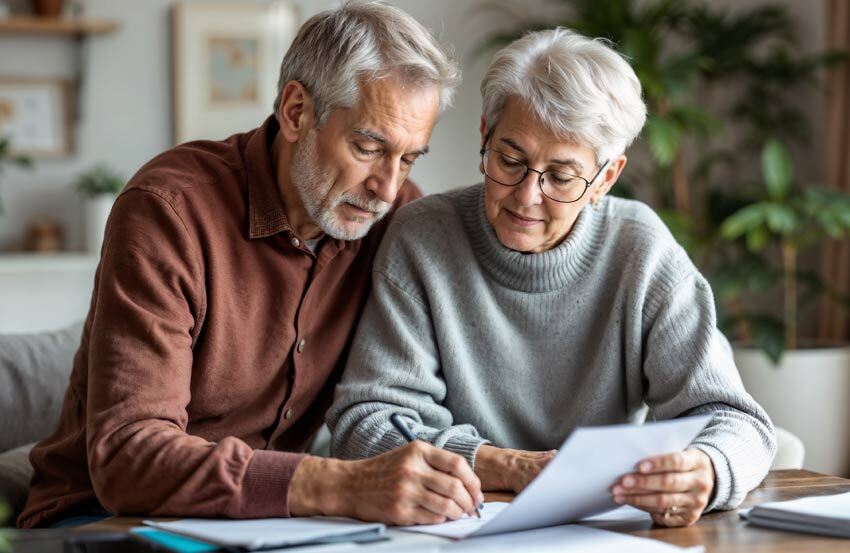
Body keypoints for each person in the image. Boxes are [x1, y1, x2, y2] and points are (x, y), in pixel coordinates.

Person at [18, 1, 485, 529]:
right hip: (103, 517)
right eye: (367, 147)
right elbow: (129, 456)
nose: (388, 186)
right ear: (296, 112)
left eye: (409, 158)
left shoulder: (392, 218)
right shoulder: (170, 209)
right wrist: (343, 484)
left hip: (269, 525)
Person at [328, 28, 777, 528]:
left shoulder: (640, 250)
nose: (527, 196)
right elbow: (365, 421)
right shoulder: (423, 237)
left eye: (561, 177)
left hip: (601, 532)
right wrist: (505, 465)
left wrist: (708, 469)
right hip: (451, 527)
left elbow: (738, 422)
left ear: (605, 178)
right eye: (510, 160)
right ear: (485, 135)